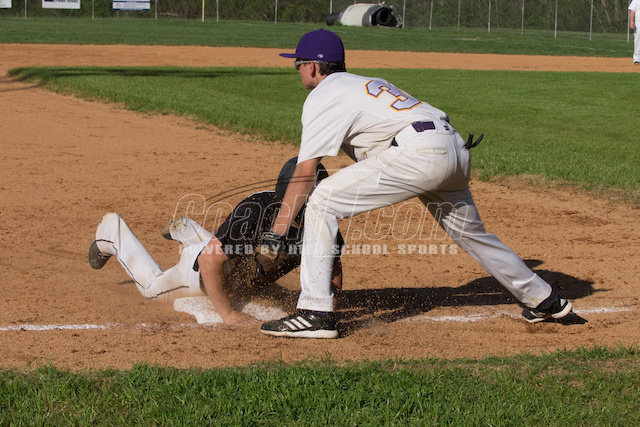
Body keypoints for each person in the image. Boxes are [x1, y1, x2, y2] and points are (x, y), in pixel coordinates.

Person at [259, 29, 573, 339]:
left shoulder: (323, 94)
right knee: (473, 236)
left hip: (419, 153)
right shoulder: (362, 84)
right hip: (452, 148)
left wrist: (277, 233)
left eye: (298, 64)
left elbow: (306, 171)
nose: (297, 70)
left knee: (322, 200)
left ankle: (315, 313)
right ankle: (544, 299)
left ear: (313, 66)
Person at [88, 157, 343, 327]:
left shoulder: (322, 219)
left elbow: (332, 266)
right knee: (152, 289)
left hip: (232, 265)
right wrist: (228, 314)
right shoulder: (255, 212)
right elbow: (208, 262)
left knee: (244, 262)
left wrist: (327, 307)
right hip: (198, 276)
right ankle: (113, 233)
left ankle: (188, 232)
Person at [630, 0, 640, 65]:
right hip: (638, 22)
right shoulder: (636, 0)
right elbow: (632, 10)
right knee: (638, 40)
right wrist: (631, 21)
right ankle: (636, 59)